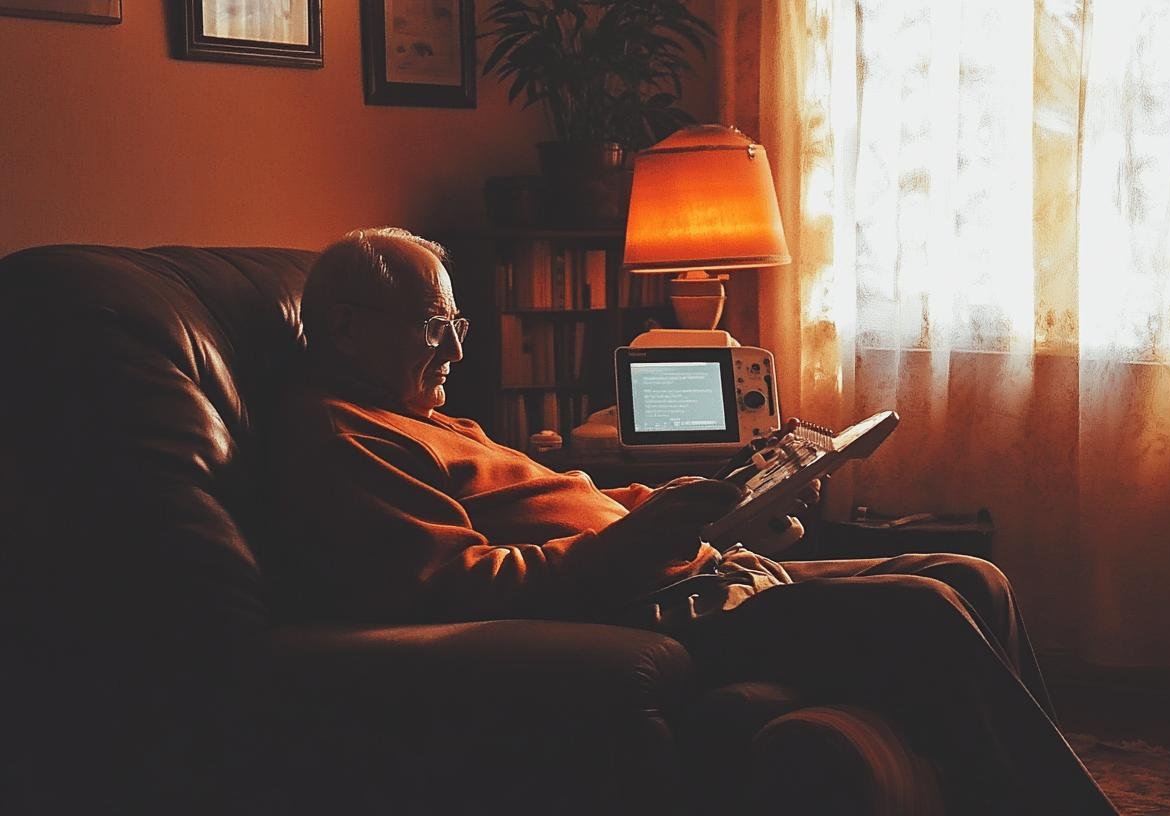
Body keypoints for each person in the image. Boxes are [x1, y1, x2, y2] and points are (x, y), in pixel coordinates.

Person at [267, 227, 1117, 814]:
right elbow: (452, 583)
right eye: (432, 326)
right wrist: (637, 543)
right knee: (925, 608)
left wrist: (714, 504)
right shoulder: (338, 435)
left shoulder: (429, 416)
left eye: (454, 324)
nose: (456, 349)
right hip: (646, 608)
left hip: (693, 569)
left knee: (969, 573)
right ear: (345, 329)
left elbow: (568, 502)